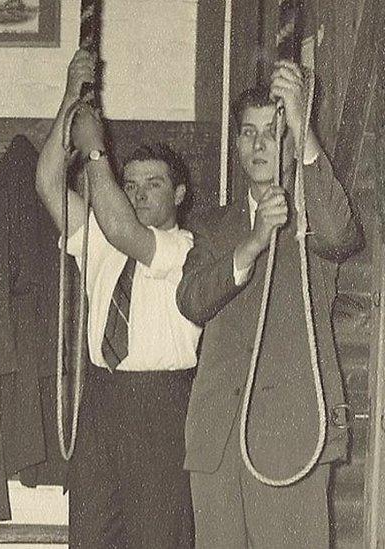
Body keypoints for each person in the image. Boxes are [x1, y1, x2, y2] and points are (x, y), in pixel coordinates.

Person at [176, 62, 363, 548]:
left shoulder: (311, 221)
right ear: (237, 145)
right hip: (218, 446)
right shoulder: (214, 228)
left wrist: (303, 127)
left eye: (271, 133)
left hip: (291, 439)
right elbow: (191, 301)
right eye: (249, 133)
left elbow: (344, 234)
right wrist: (252, 245)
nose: (260, 145)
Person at [35, 50, 201, 548]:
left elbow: (126, 230)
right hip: (102, 402)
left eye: (154, 184)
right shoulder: (101, 239)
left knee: (158, 538)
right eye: (130, 186)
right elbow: (47, 184)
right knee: (92, 536)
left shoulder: (183, 248)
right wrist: (69, 98)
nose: (140, 194)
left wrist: (95, 152)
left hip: (162, 404)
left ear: (179, 194)